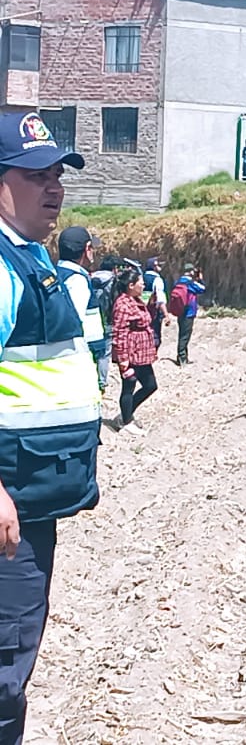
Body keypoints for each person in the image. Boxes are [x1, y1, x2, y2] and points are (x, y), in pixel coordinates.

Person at [0, 109, 102, 745]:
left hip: (30, 503)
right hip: (8, 511)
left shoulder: (28, 257)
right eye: (36, 174)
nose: (55, 187)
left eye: (59, 173)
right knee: (4, 668)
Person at [56, 227, 109, 395]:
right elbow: (74, 320)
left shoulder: (57, 273)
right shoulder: (77, 279)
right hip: (84, 351)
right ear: (87, 249)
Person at [109, 266, 158, 435]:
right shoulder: (122, 304)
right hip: (131, 353)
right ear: (131, 285)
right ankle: (127, 421)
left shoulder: (135, 300)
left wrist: (151, 306)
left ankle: (125, 414)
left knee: (151, 385)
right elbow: (119, 332)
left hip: (142, 354)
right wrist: (123, 359)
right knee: (128, 386)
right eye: (141, 283)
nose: (143, 286)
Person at [90, 257, 118, 391]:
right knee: (105, 353)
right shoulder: (113, 281)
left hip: (91, 320)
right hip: (107, 320)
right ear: (114, 268)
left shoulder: (89, 278)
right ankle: (101, 381)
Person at [170, 263, 205, 366]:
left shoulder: (178, 282)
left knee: (181, 333)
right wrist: (200, 279)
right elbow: (202, 289)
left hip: (180, 311)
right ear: (191, 271)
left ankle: (182, 357)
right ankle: (182, 358)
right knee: (185, 336)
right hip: (189, 312)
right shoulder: (190, 283)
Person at [141, 257, 167, 353]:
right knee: (155, 333)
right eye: (158, 265)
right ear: (154, 267)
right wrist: (166, 314)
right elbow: (160, 299)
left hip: (141, 310)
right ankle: (152, 354)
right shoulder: (157, 279)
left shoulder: (141, 278)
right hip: (153, 311)